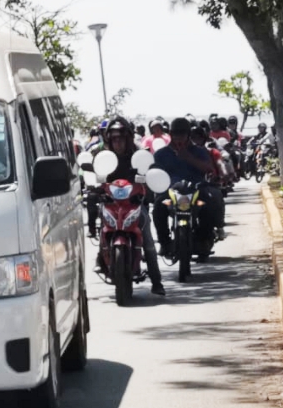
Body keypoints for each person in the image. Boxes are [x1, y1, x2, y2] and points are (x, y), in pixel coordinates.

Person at [93, 117, 165, 296]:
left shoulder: (139, 156)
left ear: (128, 138)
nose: (118, 142)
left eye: (121, 138)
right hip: (111, 206)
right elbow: (94, 177)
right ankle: (100, 258)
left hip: (134, 205)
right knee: (102, 226)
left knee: (147, 236)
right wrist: (93, 187)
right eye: (114, 139)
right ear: (109, 140)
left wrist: (146, 187)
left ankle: (156, 281)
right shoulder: (103, 157)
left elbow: (149, 173)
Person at [153, 117, 226, 257]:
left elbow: (209, 168)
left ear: (188, 135)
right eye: (175, 134)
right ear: (170, 134)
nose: (178, 137)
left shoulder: (199, 151)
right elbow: (154, 173)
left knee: (209, 203)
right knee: (158, 207)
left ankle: (204, 239)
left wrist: (188, 157)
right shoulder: (161, 154)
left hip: (196, 190)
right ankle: (164, 243)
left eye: (182, 134)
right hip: (170, 192)